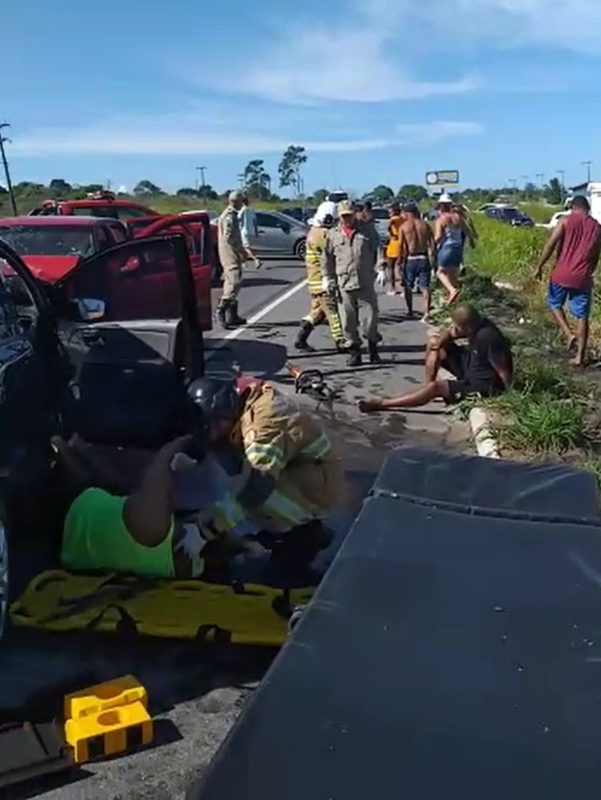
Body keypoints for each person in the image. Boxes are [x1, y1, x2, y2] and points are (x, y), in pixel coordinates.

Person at [189, 377, 342, 559]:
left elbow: (259, 484)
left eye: (214, 425)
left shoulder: (263, 426)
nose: (211, 432)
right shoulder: (246, 400)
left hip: (315, 486)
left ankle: (296, 533)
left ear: (225, 412)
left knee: (246, 493)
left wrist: (207, 529)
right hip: (299, 468)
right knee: (229, 479)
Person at [357, 304, 512, 412]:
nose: (454, 330)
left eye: (457, 327)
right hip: (471, 365)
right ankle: (427, 387)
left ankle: (383, 404)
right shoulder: (476, 324)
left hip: (481, 385)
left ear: (468, 327)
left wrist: (509, 396)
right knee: (433, 342)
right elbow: (447, 335)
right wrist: (437, 346)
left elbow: (503, 370)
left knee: (436, 388)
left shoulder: (488, 336)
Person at [534, 195, 601, 366]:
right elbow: (595, 255)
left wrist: (539, 266)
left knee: (554, 303)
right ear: (587, 208)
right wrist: (590, 272)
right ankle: (580, 357)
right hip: (583, 277)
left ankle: (568, 333)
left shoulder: (565, 220)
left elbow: (551, 244)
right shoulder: (596, 226)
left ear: (573, 207)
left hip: (561, 273)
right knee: (582, 316)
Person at [322, 200, 381, 367]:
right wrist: (327, 278)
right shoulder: (333, 234)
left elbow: (378, 248)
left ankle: (372, 347)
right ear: (339, 216)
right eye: (344, 216)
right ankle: (355, 353)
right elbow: (326, 258)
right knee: (348, 321)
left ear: (355, 213)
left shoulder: (367, 230)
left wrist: (381, 267)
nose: (347, 219)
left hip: (365, 282)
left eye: (350, 215)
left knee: (370, 320)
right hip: (345, 284)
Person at [295, 201, 345, 352]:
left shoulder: (313, 232)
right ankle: (341, 342)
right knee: (333, 312)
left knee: (317, 312)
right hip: (323, 281)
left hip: (314, 280)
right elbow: (333, 255)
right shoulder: (323, 235)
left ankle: (301, 338)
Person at [398, 202, 436, 321]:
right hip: (423, 257)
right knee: (425, 286)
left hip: (411, 258)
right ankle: (427, 312)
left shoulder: (403, 227)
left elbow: (401, 245)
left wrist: (400, 260)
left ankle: (410, 311)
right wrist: (432, 256)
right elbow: (432, 243)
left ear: (408, 213)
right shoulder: (425, 225)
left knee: (408, 286)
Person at [435, 194, 475, 304]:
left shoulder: (441, 219)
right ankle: (456, 300)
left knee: (440, 272)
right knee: (453, 274)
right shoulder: (458, 217)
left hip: (447, 247)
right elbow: (467, 231)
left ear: (441, 206)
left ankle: (452, 291)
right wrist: (471, 241)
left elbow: (438, 237)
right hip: (458, 248)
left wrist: (434, 245)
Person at [216, 190, 247, 328]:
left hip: (230, 252)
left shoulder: (231, 214)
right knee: (233, 281)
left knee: (233, 282)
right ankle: (221, 311)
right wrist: (241, 251)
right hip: (230, 252)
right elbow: (230, 237)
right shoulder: (229, 216)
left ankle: (232, 315)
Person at [238, 195, 262, 270]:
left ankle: (256, 260)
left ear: (242, 203)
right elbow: (255, 222)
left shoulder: (242, 210)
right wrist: (256, 232)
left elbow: (238, 219)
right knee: (244, 247)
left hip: (244, 231)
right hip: (251, 231)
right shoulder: (251, 210)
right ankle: (244, 263)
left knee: (246, 247)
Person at [385, 202, 403, 295]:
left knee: (391, 267)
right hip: (401, 242)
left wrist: (391, 233)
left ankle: (393, 288)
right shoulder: (402, 218)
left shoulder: (394, 219)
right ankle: (404, 287)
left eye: (390, 210)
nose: (389, 212)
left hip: (393, 243)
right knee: (401, 267)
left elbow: (388, 227)